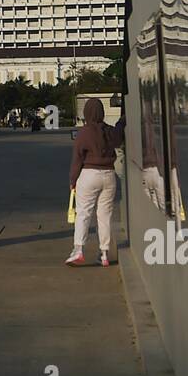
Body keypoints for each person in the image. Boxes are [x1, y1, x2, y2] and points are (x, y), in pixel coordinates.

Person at [67, 97, 119, 267]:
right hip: (109, 175)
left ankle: (78, 250)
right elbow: (119, 138)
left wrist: (73, 180)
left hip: (89, 175)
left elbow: (77, 159)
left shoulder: (84, 132)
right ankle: (104, 253)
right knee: (104, 216)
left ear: (86, 113)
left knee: (83, 213)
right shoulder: (110, 131)